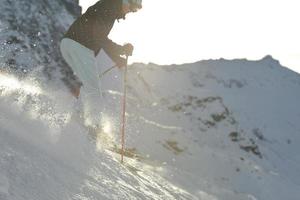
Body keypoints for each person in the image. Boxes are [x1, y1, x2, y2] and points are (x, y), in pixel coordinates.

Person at [60, 0, 142, 128]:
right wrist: (118, 53)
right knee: (93, 89)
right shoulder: (109, 7)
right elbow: (99, 37)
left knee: (88, 85)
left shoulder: (109, 7)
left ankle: (75, 117)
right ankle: (90, 125)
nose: (131, 12)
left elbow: (99, 36)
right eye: (132, 8)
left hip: (70, 43)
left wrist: (119, 53)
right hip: (79, 45)